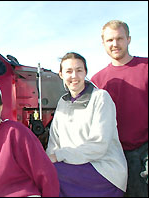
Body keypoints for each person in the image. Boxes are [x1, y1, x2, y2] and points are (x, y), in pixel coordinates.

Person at [46, 52, 128, 197]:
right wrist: (47, 161)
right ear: (61, 74)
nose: (74, 76)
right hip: (71, 167)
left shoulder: (101, 97)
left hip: (104, 169)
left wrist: (59, 156)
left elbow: (99, 145)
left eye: (79, 70)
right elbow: (54, 142)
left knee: (51, 176)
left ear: (85, 72)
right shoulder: (62, 102)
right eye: (69, 71)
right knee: (42, 174)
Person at [91, 20, 148, 197]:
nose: (115, 44)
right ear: (103, 44)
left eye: (119, 38)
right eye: (110, 40)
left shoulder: (145, 68)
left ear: (128, 39)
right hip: (114, 154)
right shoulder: (97, 81)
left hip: (145, 149)